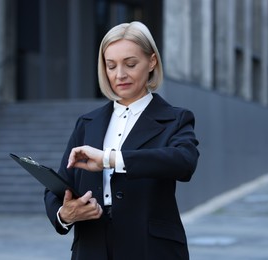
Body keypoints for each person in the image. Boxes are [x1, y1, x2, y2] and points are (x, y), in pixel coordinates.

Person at [44, 21, 199, 260]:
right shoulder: (87, 123)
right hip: (91, 251)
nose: (120, 75)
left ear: (152, 61)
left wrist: (110, 158)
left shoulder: (175, 119)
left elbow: (184, 162)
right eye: (111, 65)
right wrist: (65, 215)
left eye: (130, 64)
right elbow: (57, 188)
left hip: (151, 251)